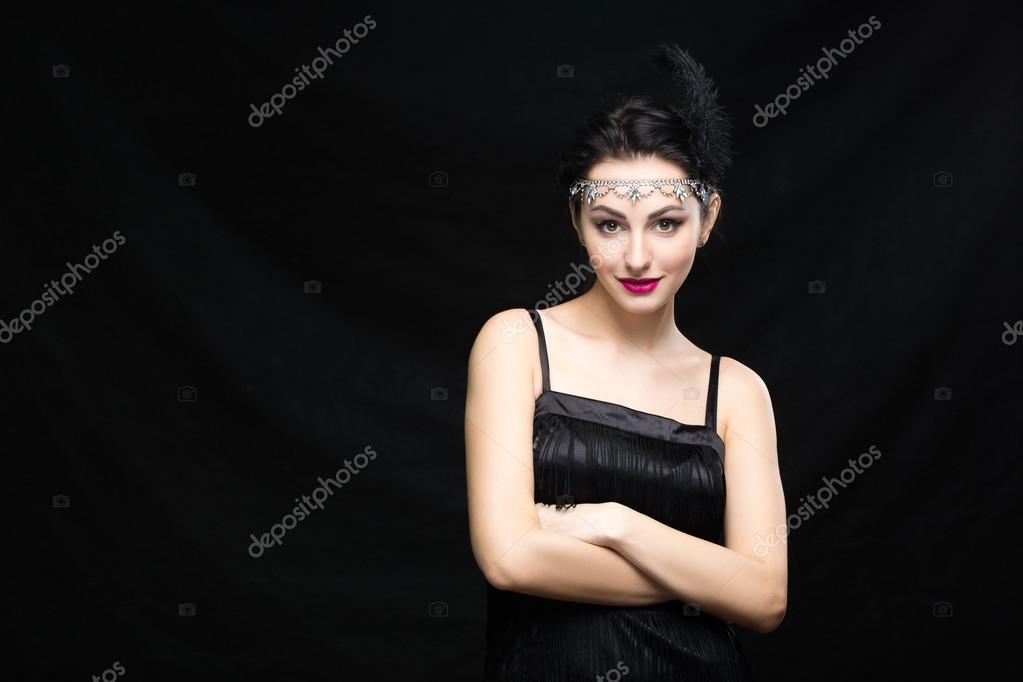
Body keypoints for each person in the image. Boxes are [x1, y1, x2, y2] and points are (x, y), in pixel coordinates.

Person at [465, 43, 787, 681]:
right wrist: (709, 581)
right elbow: (509, 558)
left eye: (665, 223)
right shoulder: (516, 343)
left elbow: (766, 598)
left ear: (707, 218)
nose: (637, 257)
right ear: (577, 223)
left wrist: (617, 524)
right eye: (610, 225)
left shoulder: (738, 391)